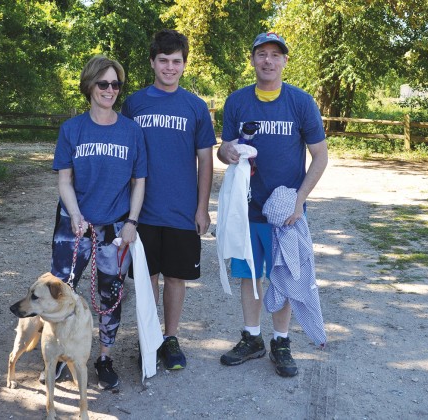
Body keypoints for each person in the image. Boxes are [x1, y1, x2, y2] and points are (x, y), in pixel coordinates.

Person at [217, 32, 328, 377]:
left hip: (286, 212)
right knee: (250, 274)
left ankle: (281, 342)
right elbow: (224, 149)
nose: (268, 60)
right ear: (252, 59)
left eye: (275, 55)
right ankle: (252, 338)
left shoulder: (300, 102)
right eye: (261, 54)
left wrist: (299, 200)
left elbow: (320, 156)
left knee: (285, 274)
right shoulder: (237, 102)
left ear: (284, 61)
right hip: (246, 207)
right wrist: (227, 152)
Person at [50, 55, 147, 390]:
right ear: (89, 86)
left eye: (116, 84)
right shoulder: (72, 129)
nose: (110, 90)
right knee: (62, 292)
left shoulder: (131, 131)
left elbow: (139, 181)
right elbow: (65, 180)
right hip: (73, 223)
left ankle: (105, 357)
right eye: (103, 83)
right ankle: (64, 355)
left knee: (111, 295)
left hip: (115, 228)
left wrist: (132, 221)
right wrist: (75, 214)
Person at [122, 29, 216, 370]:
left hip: (181, 210)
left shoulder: (195, 106)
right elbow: (124, 154)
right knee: (148, 278)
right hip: (142, 209)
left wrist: (202, 207)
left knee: (176, 278)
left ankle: (171, 337)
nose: (170, 67)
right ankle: (148, 338)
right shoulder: (134, 103)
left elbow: (205, 159)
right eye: (163, 60)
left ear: (184, 65)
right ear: (152, 62)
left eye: (176, 61)